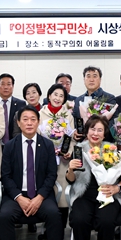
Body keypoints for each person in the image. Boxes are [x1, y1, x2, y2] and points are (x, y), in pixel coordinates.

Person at [0, 106, 63, 240]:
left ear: (38, 122)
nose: (29, 123)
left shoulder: (47, 145)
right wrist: (19, 197)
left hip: (41, 194)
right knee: (4, 216)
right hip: (17, 194)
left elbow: (51, 175)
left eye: (33, 119)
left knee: (54, 214)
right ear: (18, 123)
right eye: (25, 119)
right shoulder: (10, 146)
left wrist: (40, 197)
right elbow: (6, 176)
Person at [66, 115, 121, 240]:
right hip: (84, 195)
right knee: (79, 220)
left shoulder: (112, 149)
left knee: (106, 221)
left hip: (108, 195)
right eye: (92, 129)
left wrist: (117, 187)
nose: (95, 133)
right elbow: (70, 180)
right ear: (86, 131)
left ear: (104, 133)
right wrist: (70, 169)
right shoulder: (79, 149)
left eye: (99, 130)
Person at [39, 83, 74, 228]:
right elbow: (38, 136)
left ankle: (60, 229)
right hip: (45, 159)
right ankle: (47, 229)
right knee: (47, 191)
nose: (58, 98)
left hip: (62, 160)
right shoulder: (40, 114)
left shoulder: (68, 115)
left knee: (62, 194)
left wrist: (68, 151)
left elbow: (71, 137)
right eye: (55, 95)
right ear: (49, 96)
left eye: (61, 96)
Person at [72, 66, 116, 140]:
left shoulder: (109, 98)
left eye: (95, 76)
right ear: (84, 80)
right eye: (88, 76)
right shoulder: (78, 100)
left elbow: (112, 123)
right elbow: (75, 121)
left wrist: (97, 134)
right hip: (83, 141)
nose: (91, 80)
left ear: (100, 79)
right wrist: (74, 131)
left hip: (102, 141)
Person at [0, 73, 25, 146]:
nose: (6, 87)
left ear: (12, 86)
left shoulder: (21, 104)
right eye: (3, 84)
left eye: (8, 84)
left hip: (15, 144)